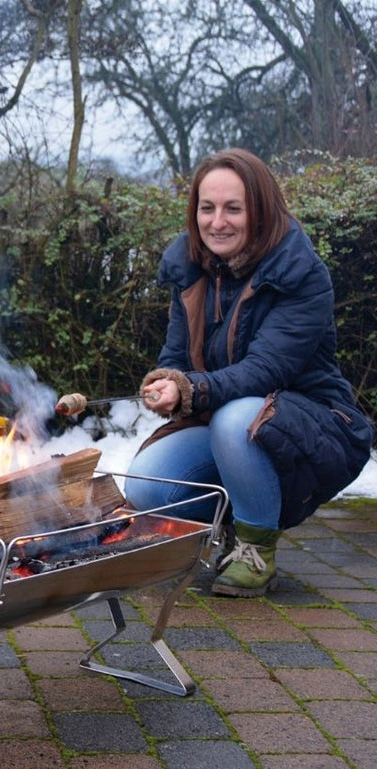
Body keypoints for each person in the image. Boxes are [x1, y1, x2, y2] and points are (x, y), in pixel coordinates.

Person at [124, 148, 373, 597]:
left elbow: (264, 371)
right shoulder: (190, 267)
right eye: (207, 207)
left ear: (258, 210)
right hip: (231, 423)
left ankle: (256, 552)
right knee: (146, 484)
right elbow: (177, 355)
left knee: (236, 416)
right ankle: (231, 528)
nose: (217, 221)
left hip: (315, 428)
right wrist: (167, 381)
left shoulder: (301, 275)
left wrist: (190, 390)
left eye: (233, 208)